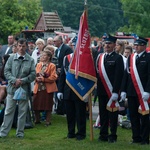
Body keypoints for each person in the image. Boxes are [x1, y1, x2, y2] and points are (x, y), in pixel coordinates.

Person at [0, 38, 36, 138]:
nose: (21, 48)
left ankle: (20, 133)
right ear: (16, 46)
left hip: (23, 89)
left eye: (23, 46)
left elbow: (33, 74)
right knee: (8, 111)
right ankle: (3, 133)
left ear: (26, 47)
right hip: (12, 88)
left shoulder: (30, 60)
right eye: (19, 46)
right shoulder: (11, 58)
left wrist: (22, 81)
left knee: (22, 112)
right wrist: (14, 80)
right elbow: (6, 71)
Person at [120, 37, 150, 145]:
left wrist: (148, 91)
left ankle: (145, 139)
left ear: (144, 46)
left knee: (144, 116)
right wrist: (123, 90)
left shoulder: (148, 57)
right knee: (133, 116)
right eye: (135, 45)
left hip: (143, 93)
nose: (135, 47)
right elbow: (126, 75)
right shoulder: (131, 58)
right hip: (132, 91)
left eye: (138, 45)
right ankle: (136, 137)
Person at [96, 34, 124, 143]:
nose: (107, 45)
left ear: (114, 45)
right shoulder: (100, 57)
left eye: (109, 43)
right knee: (102, 113)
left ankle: (112, 135)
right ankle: (103, 134)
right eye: (106, 43)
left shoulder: (118, 58)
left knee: (112, 114)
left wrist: (116, 91)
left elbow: (118, 76)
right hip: (102, 90)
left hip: (112, 91)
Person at [57, 53, 87, 140]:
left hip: (79, 89)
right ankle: (71, 132)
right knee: (70, 114)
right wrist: (60, 90)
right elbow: (62, 75)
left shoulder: (84, 57)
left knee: (80, 113)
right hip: (68, 90)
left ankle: (81, 133)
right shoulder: (67, 58)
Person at [33, 50, 58, 126]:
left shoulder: (52, 65)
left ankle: (48, 121)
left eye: (44, 55)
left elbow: (54, 77)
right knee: (36, 103)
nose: (42, 57)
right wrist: (36, 79)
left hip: (47, 88)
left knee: (48, 104)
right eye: (42, 55)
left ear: (49, 57)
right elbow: (34, 74)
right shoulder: (38, 64)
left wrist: (44, 79)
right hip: (38, 87)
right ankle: (37, 119)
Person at [54, 35, 73, 115]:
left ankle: (63, 109)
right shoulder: (56, 50)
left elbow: (68, 60)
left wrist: (62, 68)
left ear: (60, 41)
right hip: (58, 72)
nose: (54, 42)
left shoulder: (67, 49)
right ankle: (59, 108)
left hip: (65, 72)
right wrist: (57, 68)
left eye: (55, 41)